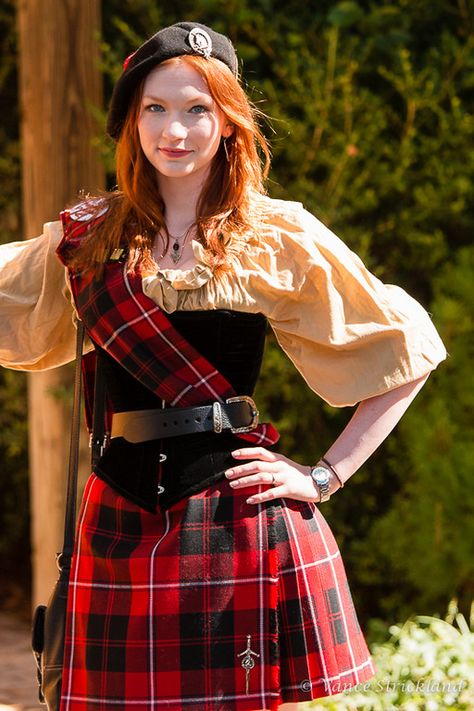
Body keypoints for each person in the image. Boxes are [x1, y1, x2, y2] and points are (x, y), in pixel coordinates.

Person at [0, 21, 446, 711]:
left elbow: (407, 347)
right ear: (130, 122)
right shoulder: (86, 239)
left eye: (196, 109)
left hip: (234, 519)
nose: (174, 129)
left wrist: (324, 475)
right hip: (115, 517)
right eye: (155, 108)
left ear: (229, 123)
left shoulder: (273, 237)